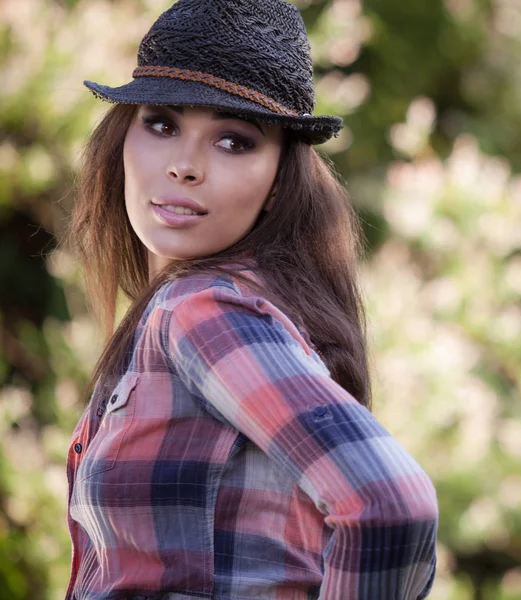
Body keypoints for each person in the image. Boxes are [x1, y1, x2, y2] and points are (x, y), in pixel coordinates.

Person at [63, 1, 439, 599]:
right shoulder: (234, 306)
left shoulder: (202, 310)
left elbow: (389, 502)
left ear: (276, 183)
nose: (185, 166)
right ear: (122, 138)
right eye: (161, 123)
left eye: (233, 141)